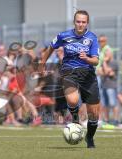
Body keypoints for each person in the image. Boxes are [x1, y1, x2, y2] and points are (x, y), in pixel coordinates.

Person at [40, 10, 100, 148]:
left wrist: (87, 59)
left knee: (94, 114)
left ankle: (89, 138)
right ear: (74, 22)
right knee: (72, 100)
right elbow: (50, 48)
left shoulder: (92, 38)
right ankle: (75, 120)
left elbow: (96, 61)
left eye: (83, 22)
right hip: (69, 72)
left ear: (87, 23)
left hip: (88, 75)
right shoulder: (64, 35)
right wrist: (42, 63)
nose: (80, 24)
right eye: (78, 21)